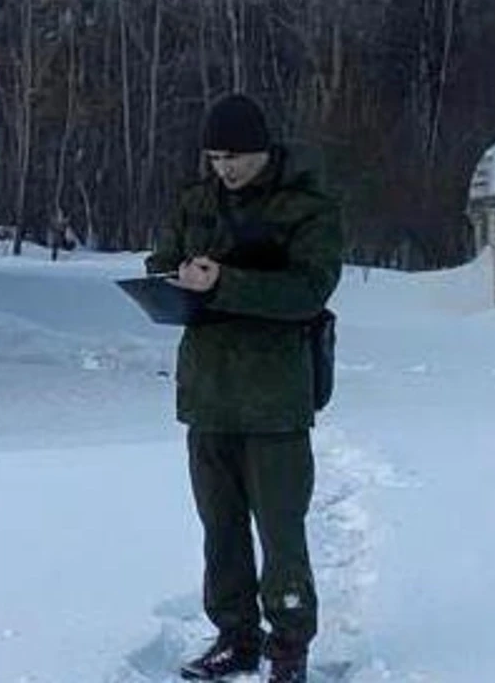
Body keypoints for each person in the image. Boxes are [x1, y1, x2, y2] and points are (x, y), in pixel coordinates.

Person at [143, 93, 345, 683]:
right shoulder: (197, 200)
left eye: (235, 156)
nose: (224, 168)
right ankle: (235, 636)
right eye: (214, 156)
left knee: (281, 529)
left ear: (262, 151)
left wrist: (224, 282)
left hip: (275, 396)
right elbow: (166, 255)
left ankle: (289, 646)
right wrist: (170, 276)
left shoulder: (306, 207)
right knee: (220, 527)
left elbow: (308, 291)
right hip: (208, 392)